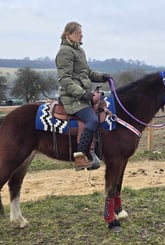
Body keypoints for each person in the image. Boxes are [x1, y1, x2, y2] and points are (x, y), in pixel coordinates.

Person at [55, 21, 111, 171]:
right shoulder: (65, 52)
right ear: (69, 35)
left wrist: (103, 77)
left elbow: (87, 73)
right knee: (92, 120)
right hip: (73, 98)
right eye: (79, 33)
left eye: (81, 32)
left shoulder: (80, 51)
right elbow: (65, 79)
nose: (82, 35)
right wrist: (82, 93)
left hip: (82, 96)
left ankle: (96, 153)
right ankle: (80, 157)